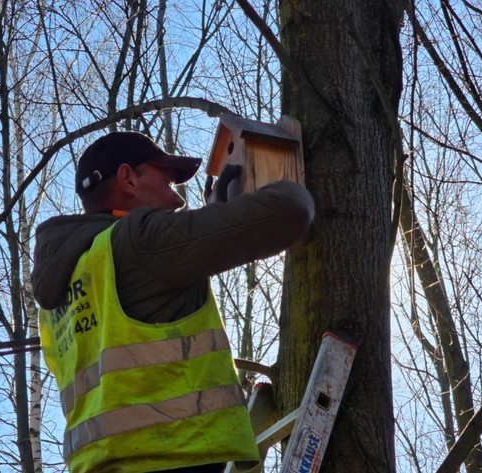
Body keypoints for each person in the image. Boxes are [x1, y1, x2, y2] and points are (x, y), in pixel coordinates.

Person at [32, 131, 314, 473]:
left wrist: (211, 225)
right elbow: (290, 210)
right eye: (166, 181)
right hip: (178, 456)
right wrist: (261, 192)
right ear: (128, 179)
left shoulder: (57, 301)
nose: (177, 201)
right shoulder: (138, 242)